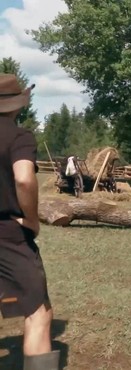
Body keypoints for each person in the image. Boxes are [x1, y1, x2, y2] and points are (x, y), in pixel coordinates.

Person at [0, 74, 59, 369]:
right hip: (8, 233)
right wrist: (32, 220)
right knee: (38, 313)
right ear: (16, 105)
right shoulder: (19, 136)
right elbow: (24, 179)